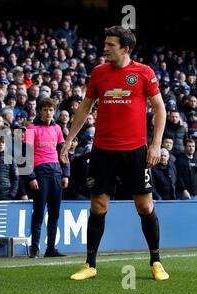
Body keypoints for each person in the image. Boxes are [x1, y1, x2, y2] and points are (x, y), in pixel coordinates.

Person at [60, 26, 169, 281]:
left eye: (110, 45)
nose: (105, 48)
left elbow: (160, 110)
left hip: (135, 152)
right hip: (103, 151)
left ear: (125, 48)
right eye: (105, 43)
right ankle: (90, 264)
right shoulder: (99, 73)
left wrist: (155, 145)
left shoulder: (143, 73)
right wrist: (69, 139)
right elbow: (85, 107)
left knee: (145, 206)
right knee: (98, 207)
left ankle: (156, 261)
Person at [26, 98, 69, 258]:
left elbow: (62, 153)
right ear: (40, 111)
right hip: (40, 173)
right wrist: (31, 177)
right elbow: (26, 154)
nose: (48, 113)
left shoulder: (57, 128)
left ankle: (51, 248)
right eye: (45, 110)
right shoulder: (31, 128)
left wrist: (66, 173)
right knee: (38, 213)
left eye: (51, 110)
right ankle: (35, 248)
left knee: (54, 213)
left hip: (56, 173)